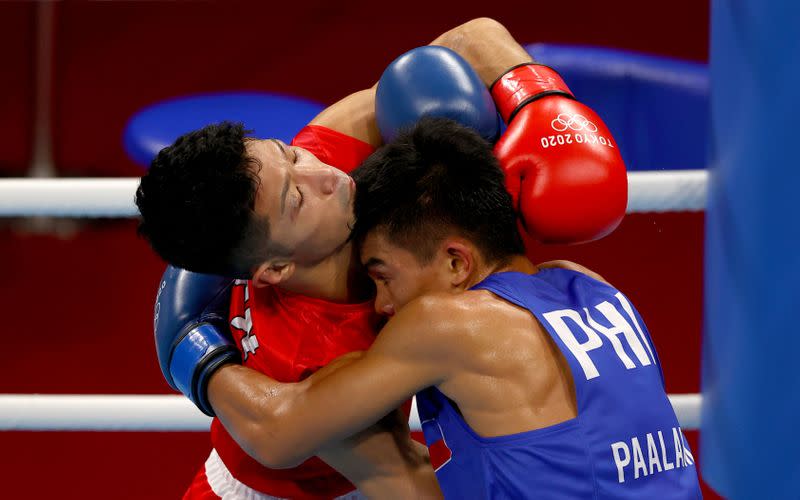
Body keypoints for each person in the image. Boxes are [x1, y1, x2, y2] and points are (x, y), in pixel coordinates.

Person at [136, 18, 627, 499]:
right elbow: (407, 483)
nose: (321, 174)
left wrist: (538, 101)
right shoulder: (306, 359)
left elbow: (465, 41)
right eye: (296, 200)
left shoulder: (321, 164)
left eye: (288, 153)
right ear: (275, 270)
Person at [206, 118, 703, 498]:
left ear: (455, 262)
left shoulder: (446, 324)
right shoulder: (586, 282)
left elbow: (277, 434)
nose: (380, 304)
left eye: (383, 274)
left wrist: (197, 352)